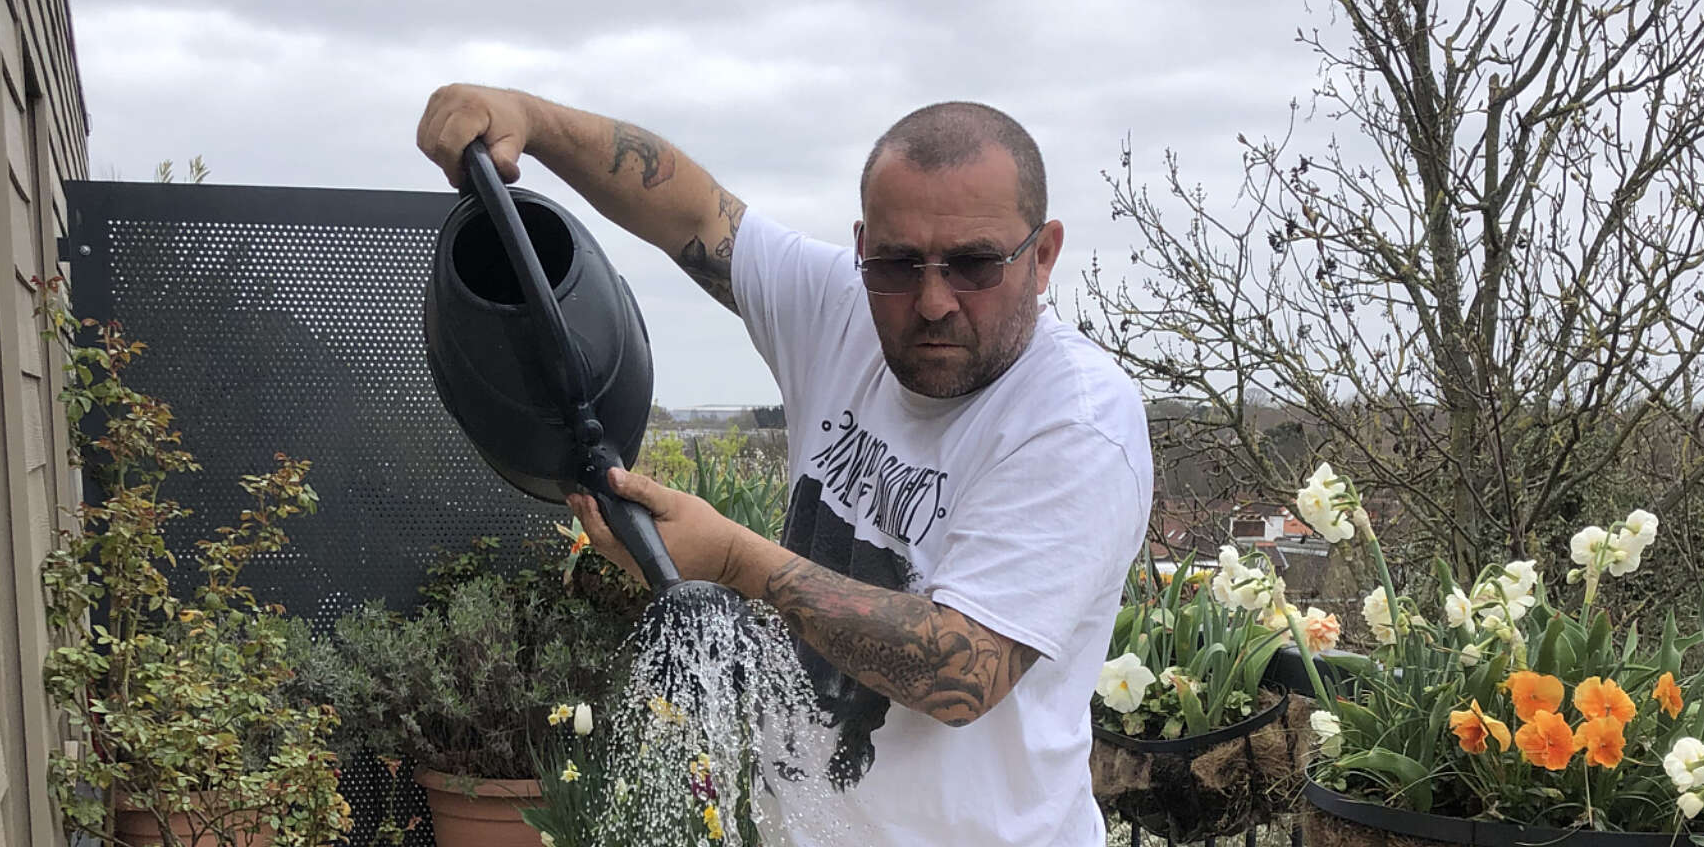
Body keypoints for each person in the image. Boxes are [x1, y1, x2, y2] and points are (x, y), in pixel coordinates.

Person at [416, 84, 1152, 847]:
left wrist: (734, 559)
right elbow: (697, 213)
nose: (932, 300)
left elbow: (965, 671)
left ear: (1044, 255)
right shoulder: (845, 307)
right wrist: (533, 124)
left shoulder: (1077, 423)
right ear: (864, 246)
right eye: (899, 263)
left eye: (973, 265)